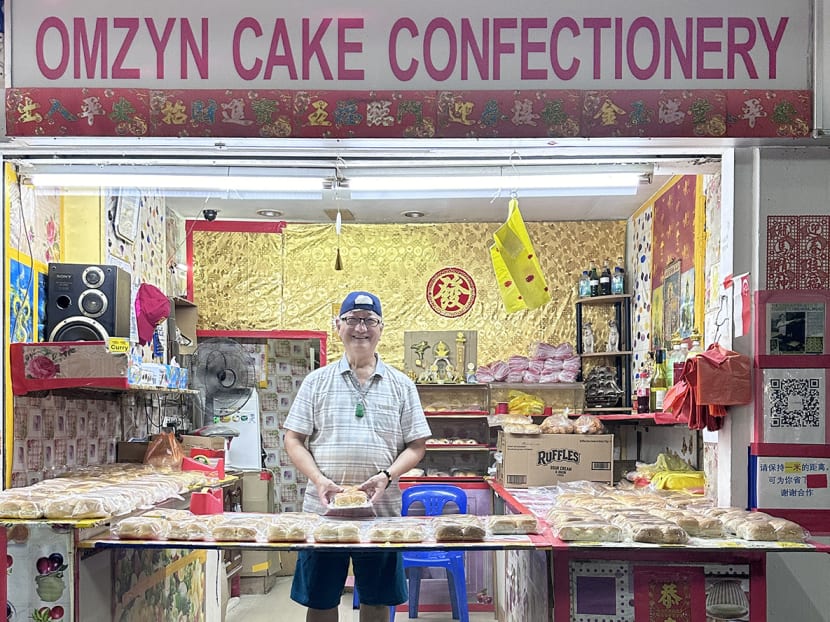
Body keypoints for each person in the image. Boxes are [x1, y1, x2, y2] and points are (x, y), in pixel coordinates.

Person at [283, 290, 432, 622]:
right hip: (323, 513)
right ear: (338, 326)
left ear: (381, 327)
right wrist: (319, 480)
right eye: (352, 320)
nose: (360, 328)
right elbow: (293, 439)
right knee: (321, 600)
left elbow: (417, 446)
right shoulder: (316, 382)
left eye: (369, 320)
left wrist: (387, 475)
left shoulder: (402, 385)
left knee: (378, 600)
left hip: (381, 513)